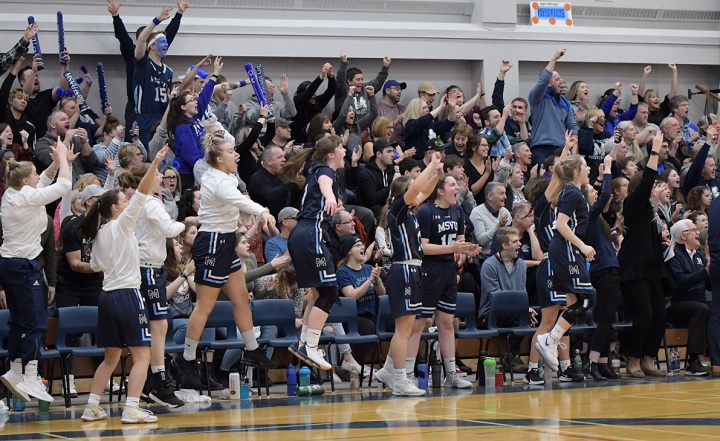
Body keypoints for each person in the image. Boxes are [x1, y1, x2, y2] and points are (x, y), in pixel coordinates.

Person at [170, 132, 277, 389]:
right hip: (212, 245)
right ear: (219, 158)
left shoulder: (222, 174)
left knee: (241, 298)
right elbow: (239, 199)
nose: (235, 154)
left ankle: (251, 349)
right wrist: (261, 211)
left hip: (226, 242)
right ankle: (185, 359)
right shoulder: (220, 181)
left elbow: (236, 195)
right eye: (230, 151)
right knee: (205, 306)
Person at [77, 145, 169, 424]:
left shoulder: (100, 233)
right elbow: (141, 193)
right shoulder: (122, 225)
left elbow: (93, 266)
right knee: (142, 356)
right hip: (128, 296)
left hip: (105, 297)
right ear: (116, 208)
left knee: (111, 357)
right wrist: (155, 163)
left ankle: (91, 406)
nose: (128, 203)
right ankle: (131, 407)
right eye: (123, 201)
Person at [0, 136, 71, 406]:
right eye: (34, 175)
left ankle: (16, 370)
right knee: (36, 322)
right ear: (26, 182)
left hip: (11, 264)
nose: (37, 178)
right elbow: (63, 185)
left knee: (19, 320)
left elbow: (42, 180)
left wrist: (53, 164)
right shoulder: (27, 198)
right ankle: (30, 374)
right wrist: (63, 158)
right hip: (21, 266)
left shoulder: (14, 192)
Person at [373, 158, 444, 394]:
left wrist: (436, 175)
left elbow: (423, 191)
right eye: (411, 187)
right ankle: (400, 379)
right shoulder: (397, 211)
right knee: (403, 328)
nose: (417, 191)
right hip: (402, 270)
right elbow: (416, 188)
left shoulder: (411, 211)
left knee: (410, 325)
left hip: (413, 270)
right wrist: (431, 166)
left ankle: (388, 369)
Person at [287, 135, 348, 369]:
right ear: (331, 153)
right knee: (329, 294)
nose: (344, 150)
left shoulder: (315, 168)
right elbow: (325, 183)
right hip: (310, 233)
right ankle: (310, 347)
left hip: (305, 234)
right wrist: (330, 196)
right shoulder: (325, 170)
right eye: (341, 147)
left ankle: (303, 343)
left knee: (318, 293)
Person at [416, 172, 480, 388]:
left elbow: (460, 243)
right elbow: (423, 247)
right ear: (440, 190)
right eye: (453, 184)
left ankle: (451, 374)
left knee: (447, 324)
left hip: (449, 271)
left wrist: (467, 251)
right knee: (418, 324)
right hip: (429, 271)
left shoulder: (457, 210)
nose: (458, 188)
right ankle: (405, 374)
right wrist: (452, 248)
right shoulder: (426, 211)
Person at [534, 155, 595, 382]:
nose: (589, 168)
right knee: (585, 300)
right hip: (567, 249)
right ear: (577, 170)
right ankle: (549, 341)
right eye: (585, 165)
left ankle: (552, 343)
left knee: (575, 301)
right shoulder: (571, 192)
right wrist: (583, 246)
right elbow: (560, 225)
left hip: (569, 249)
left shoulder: (573, 192)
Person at [130, 163, 186, 407]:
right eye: (158, 173)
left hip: (150, 267)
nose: (162, 176)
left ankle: (151, 383)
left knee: (158, 325)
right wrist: (190, 222)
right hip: (148, 268)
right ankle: (159, 381)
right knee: (158, 325)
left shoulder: (145, 201)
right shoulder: (150, 203)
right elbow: (169, 228)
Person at [618, 132, 670, 377]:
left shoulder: (652, 211)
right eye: (656, 185)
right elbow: (648, 179)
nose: (660, 188)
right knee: (645, 314)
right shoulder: (633, 205)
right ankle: (633, 360)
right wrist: (655, 152)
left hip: (652, 269)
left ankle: (649, 359)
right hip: (634, 269)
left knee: (660, 315)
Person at [581, 155, 622, 380]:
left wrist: (597, 178)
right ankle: (593, 362)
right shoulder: (587, 215)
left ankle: (604, 362)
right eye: (592, 194)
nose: (596, 194)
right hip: (604, 270)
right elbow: (605, 193)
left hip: (606, 269)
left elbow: (599, 191)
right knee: (606, 318)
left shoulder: (593, 217)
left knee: (609, 317)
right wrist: (608, 170)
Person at [666, 219, 711, 376]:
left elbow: (709, 284)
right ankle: (693, 361)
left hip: (698, 302)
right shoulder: (674, 255)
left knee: (715, 308)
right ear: (683, 236)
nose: (698, 232)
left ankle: (715, 357)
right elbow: (680, 282)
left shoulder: (699, 255)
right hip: (677, 304)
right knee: (701, 309)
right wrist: (705, 272)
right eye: (694, 230)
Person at [527, 49, 578, 167]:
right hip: (541, 149)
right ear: (548, 83)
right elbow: (542, 81)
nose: (561, 82)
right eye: (557, 80)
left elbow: (572, 127)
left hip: (561, 149)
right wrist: (554, 59)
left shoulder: (566, 102)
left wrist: (573, 148)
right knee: (543, 182)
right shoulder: (537, 98)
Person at [133, 8, 175, 147]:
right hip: (146, 118)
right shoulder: (143, 64)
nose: (167, 45)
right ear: (152, 47)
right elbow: (141, 39)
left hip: (163, 119)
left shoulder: (169, 71)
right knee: (148, 159)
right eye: (163, 42)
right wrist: (157, 19)